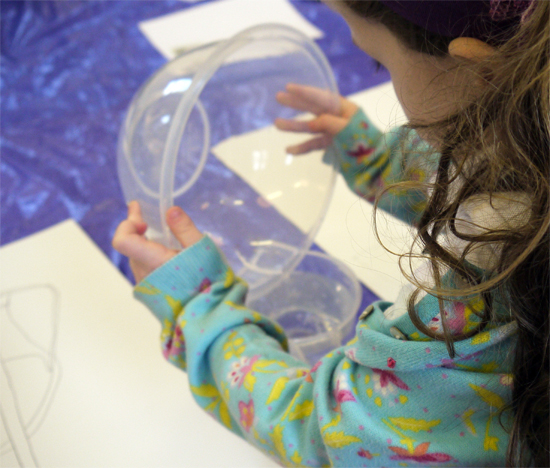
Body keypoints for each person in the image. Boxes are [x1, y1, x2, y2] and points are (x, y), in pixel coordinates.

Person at [112, 0, 549, 466]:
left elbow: (334, 435)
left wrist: (197, 310)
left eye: (379, 60)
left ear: (480, 72)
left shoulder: (493, 308)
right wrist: (382, 164)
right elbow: (505, 176)